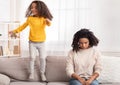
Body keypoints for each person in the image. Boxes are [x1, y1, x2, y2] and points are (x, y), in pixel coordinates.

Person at [9, 0, 53, 81]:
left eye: (35, 7)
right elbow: (22, 26)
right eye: (31, 7)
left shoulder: (43, 18)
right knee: (32, 58)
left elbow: (49, 24)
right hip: (32, 42)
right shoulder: (30, 19)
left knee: (42, 58)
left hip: (41, 42)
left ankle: (42, 73)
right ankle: (31, 73)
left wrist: (47, 20)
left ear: (40, 8)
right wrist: (14, 31)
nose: (33, 9)